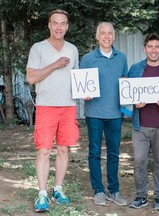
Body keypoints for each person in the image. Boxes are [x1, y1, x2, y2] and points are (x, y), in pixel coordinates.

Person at [26, 9, 79, 213]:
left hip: (68, 106)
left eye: (63, 23)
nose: (59, 27)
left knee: (64, 149)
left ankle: (58, 189)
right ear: (49, 25)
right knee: (44, 150)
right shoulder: (38, 48)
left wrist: (86, 91)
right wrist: (55, 64)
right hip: (47, 106)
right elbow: (31, 78)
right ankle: (42, 193)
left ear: (67, 26)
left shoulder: (73, 49)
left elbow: (77, 79)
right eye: (55, 23)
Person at [128, 33, 159, 211]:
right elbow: (128, 92)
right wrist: (135, 101)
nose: (153, 50)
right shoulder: (135, 69)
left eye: (157, 47)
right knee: (139, 161)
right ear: (145, 49)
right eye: (150, 47)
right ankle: (141, 196)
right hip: (140, 125)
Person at [80, 22, 128, 206]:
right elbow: (80, 85)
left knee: (114, 153)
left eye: (110, 33)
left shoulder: (121, 58)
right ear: (97, 36)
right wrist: (83, 93)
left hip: (115, 113)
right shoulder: (88, 58)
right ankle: (98, 190)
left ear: (114, 37)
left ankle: (114, 190)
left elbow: (125, 83)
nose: (106, 36)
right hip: (94, 113)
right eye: (103, 33)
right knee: (94, 152)